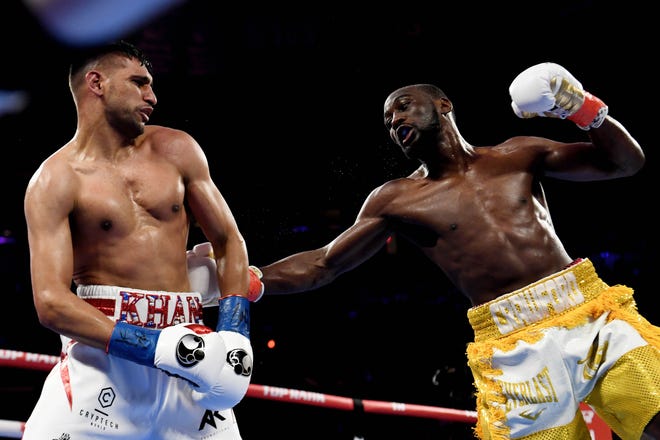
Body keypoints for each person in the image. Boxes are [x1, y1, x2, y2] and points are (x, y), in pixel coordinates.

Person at [244, 62, 660, 439]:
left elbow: (625, 163)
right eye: (388, 119)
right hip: (512, 343)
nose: (395, 121)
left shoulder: (516, 155)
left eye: (403, 107)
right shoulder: (397, 199)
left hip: (588, 312)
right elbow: (323, 263)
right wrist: (249, 280)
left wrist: (581, 107)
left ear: (444, 105)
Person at [22, 40, 261, 439]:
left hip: (192, 351)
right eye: (138, 82)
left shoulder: (177, 149)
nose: (151, 96)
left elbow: (229, 241)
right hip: (104, 364)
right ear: (96, 83)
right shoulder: (54, 180)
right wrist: (154, 346)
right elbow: (50, 303)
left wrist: (236, 334)